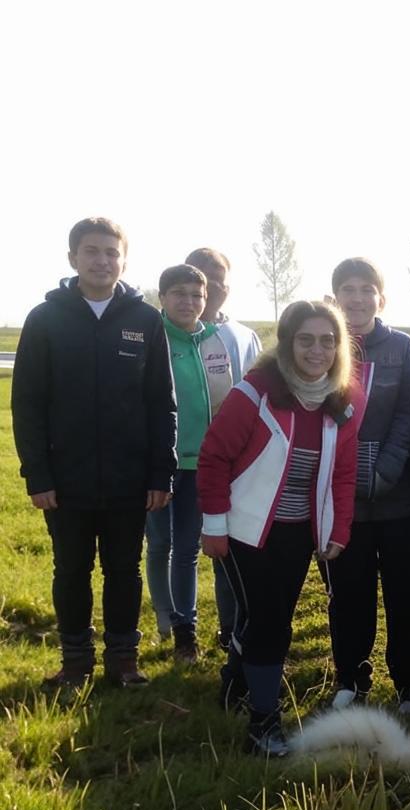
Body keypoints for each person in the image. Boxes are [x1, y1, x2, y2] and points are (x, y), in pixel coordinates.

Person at [11, 217, 175, 689]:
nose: (102, 261)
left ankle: (124, 660)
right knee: (71, 571)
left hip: (130, 481)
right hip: (66, 482)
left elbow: (162, 403)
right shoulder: (45, 319)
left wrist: (160, 474)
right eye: (91, 251)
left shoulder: (145, 320)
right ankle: (76, 661)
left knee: (124, 571)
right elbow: (27, 404)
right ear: (72, 259)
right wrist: (38, 475)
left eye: (111, 252)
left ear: (123, 260)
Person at [197, 300, 358, 756]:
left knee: (261, 616)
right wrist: (213, 525)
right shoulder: (255, 393)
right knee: (269, 623)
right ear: (287, 344)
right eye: (305, 339)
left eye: (328, 341)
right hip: (245, 530)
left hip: (297, 532)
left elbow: (343, 472)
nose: (317, 350)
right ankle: (262, 725)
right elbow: (214, 458)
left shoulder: (342, 400)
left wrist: (338, 528)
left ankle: (235, 682)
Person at [320, 258, 410, 714]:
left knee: (406, 593)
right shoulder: (323, 343)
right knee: (348, 593)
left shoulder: (399, 346)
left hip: (397, 494)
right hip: (341, 497)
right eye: (348, 289)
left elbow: (409, 411)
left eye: (367, 289)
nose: (358, 298)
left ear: (381, 298)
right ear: (335, 297)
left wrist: (387, 466)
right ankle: (351, 679)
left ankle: (409, 683)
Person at [184, 247, 262, 650]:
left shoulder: (245, 336)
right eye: (202, 277)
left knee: (227, 544)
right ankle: (178, 626)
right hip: (182, 460)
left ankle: (231, 627)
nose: (212, 286)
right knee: (177, 545)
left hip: (237, 463)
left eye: (220, 277)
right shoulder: (168, 332)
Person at [144, 264, 221, 662]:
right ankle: (163, 616)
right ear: (163, 298)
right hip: (157, 461)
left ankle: (184, 629)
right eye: (179, 293)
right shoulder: (151, 337)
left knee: (187, 547)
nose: (188, 302)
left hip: (199, 463)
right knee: (158, 543)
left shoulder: (213, 341)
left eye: (196, 295)